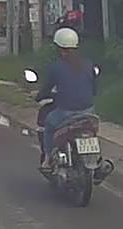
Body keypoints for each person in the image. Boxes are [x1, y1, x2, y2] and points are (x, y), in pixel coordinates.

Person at [36, 27, 97, 170]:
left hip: (66, 112)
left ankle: (48, 158)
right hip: (89, 111)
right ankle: (95, 159)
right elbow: (94, 88)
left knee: (48, 125)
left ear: (59, 48)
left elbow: (46, 88)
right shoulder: (88, 64)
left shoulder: (56, 67)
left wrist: (39, 97)